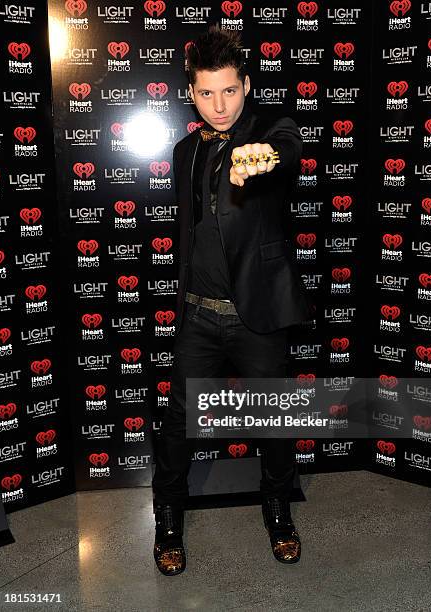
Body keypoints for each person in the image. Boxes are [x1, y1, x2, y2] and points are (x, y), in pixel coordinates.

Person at [151, 24, 315, 576]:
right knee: (176, 424)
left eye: (229, 90)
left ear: (246, 84)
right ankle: (168, 516)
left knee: (273, 423)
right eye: (206, 93)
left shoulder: (269, 129)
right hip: (199, 312)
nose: (219, 106)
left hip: (258, 315)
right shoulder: (183, 151)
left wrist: (265, 157)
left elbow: (288, 146)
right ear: (191, 94)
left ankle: (277, 508)